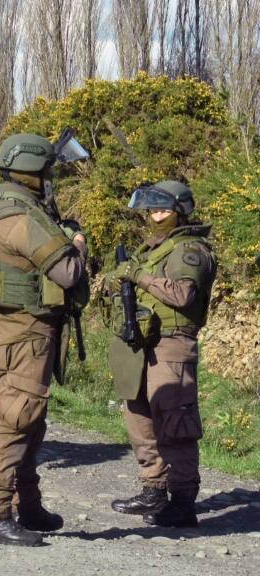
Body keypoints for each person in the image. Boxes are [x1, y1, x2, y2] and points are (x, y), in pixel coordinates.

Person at [0, 133, 89, 546]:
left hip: (15, 329)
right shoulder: (20, 215)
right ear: (35, 171)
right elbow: (66, 273)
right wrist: (78, 245)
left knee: (28, 419)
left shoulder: (1, 204)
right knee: (16, 419)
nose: (52, 176)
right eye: (49, 170)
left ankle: (28, 506)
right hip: (26, 330)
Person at [104, 180, 217, 528]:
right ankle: (154, 490)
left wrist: (138, 276)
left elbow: (183, 295)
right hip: (140, 346)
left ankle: (183, 502)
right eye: (151, 210)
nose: (155, 216)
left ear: (180, 211)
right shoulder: (152, 249)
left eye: (163, 210)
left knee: (175, 426)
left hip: (172, 344)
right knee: (138, 418)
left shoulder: (189, 250)